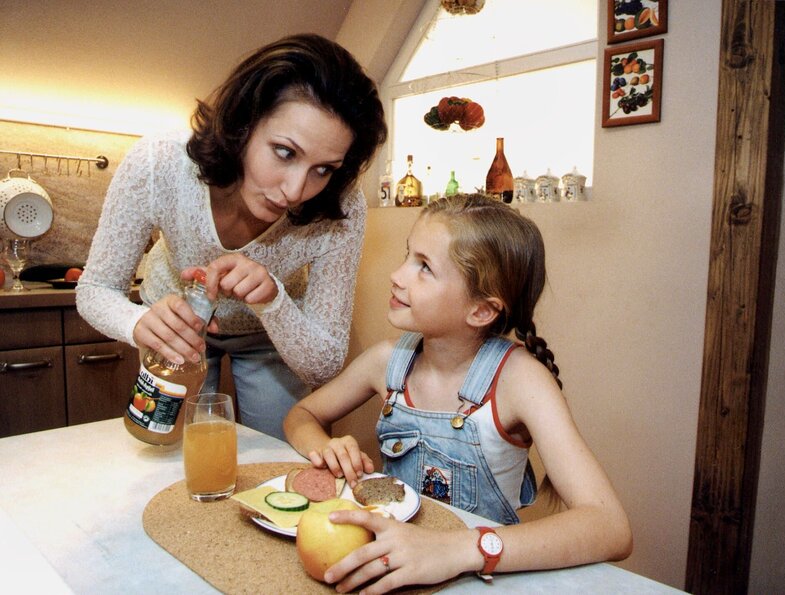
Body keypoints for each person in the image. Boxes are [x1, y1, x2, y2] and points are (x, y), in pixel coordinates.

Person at [283, 194, 632, 593]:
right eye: (408, 256)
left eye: (424, 268)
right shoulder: (387, 362)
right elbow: (301, 416)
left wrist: (457, 550)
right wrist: (322, 447)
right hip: (394, 571)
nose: (397, 275)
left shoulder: (521, 381)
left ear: (481, 311)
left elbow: (610, 527)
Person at [76, 34, 387, 439]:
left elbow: (324, 363)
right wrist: (140, 321)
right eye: (285, 152)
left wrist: (272, 300)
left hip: (272, 334)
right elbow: (95, 289)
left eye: (324, 169)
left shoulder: (342, 204)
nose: (295, 191)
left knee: (277, 466)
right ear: (244, 123)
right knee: (173, 456)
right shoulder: (160, 163)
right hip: (178, 330)